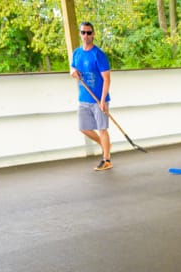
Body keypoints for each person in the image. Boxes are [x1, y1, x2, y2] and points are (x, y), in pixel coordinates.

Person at [70, 21, 113, 171]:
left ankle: (106, 159)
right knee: (83, 128)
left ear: (93, 34)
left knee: (102, 129)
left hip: (99, 99)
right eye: (83, 32)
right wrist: (72, 72)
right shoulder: (77, 53)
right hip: (84, 98)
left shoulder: (99, 55)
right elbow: (72, 67)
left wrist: (102, 101)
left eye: (89, 32)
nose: (86, 35)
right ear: (80, 34)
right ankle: (104, 144)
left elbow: (107, 79)